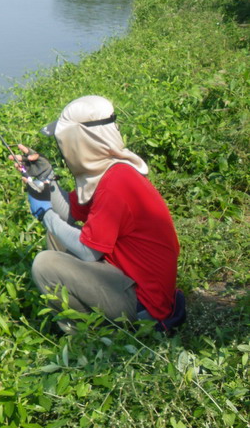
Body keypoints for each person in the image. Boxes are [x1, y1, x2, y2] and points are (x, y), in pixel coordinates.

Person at [12, 95, 186, 333]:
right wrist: (47, 178)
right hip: (129, 279)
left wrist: (45, 214)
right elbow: (70, 213)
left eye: (62, 143)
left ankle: (86, 335)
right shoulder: (111, 171)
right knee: (57, 236)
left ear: (78, 142)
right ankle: (93, 322)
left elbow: (88, 252)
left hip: (146, 306)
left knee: (45, 264)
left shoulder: (117, 184)